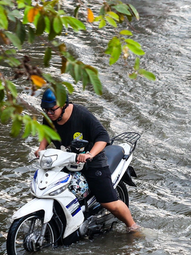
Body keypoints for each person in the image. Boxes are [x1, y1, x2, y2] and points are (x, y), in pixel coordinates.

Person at [34, 89, 140, 232]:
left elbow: (103, 137)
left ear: (64, 105)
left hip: (93, 163)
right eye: (46, 110)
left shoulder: (82, 115)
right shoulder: (49, 117)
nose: (49, 113)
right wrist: (41, 148)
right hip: (68, 160)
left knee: (109, 203)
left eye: (52, 110)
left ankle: (133, 227)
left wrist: (90, 154)